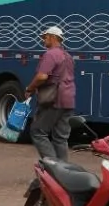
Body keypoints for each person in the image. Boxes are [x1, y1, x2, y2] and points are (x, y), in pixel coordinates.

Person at [25, 26, 76, 160]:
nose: (44, 40)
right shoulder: (68, 56)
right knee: (60, 138)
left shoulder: (51, 54)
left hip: (54, 100)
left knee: (38, 132)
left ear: (53, 37)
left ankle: (52, 166)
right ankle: (63, 173)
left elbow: (42, 76)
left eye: (45, 37)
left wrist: (30, 88)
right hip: (69, 100)